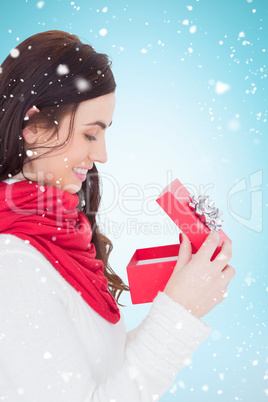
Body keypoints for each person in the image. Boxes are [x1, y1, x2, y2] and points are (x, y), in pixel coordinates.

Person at [0, 30, 235, 401]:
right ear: (35, 128)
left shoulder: (60, 234)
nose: (103, 155)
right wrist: (179, 312)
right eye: (91, 134)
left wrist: (179, 299)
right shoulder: (13, 264)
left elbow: (106, 374)